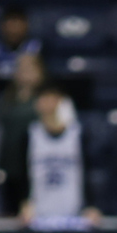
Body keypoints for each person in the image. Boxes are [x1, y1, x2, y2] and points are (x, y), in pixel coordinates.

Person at [20, 82, 85, 221]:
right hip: (37, 214)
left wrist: (90, 206)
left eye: (52, 98)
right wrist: (23, 202)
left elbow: (87, 171)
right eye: (44, 98)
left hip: (74, 212)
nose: (48, 103)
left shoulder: (78, 134)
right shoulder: (30, 134)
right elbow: (22, 172)